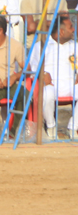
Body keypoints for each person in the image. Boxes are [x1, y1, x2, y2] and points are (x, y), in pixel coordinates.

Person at [27, 11, 76, 139]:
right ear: (61, 32)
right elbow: (33, 68)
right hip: (51, 85)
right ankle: (51, 126)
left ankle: (73, 127)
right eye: (71, 27)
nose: (73, 30)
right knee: (47, 93)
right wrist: (42, 74)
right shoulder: (41, 46)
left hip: (71, 84)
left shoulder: (75, 46)